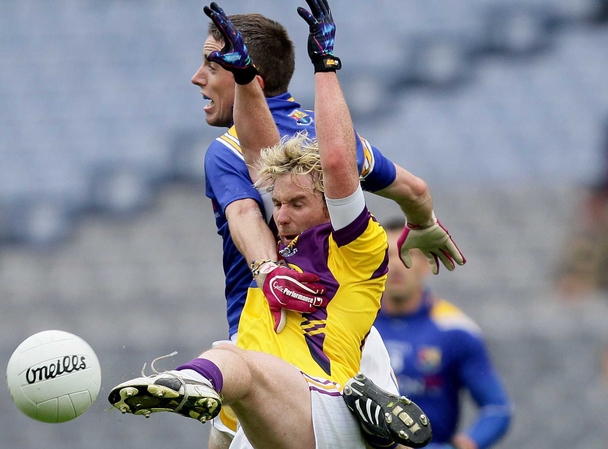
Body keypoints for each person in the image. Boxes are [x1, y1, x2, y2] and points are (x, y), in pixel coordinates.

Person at [109, 2, 433, 448]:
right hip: (286, 351)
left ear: (328, 199)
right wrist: (425, 221)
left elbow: (302, 184)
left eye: (295, 203)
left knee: (234, 363)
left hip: (312, 373)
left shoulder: (351, 236)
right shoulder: (294, 189)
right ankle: (370, 425)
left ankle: (194, 381)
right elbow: (270, 164)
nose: (278, 215)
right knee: (233, 370)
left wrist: (326, 65)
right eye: (275, 204)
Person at [191, 2, 464, 448]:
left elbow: (245, 212)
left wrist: (267, 270)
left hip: (273, 335)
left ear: (251, 77)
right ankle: (365, 415)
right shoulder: (332, 135)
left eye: (210, 64)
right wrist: (424, 223)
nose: (197, 76)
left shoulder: (226, 149)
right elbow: (413, 190)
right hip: (353, 334)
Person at [373, 218, 512, 449]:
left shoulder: (454, 330)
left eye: (406, 254)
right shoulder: (357, 326)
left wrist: (463, 445)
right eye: (387, 255)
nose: (396, 264)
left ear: (426, 264)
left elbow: (497, 409)